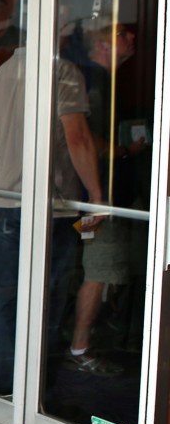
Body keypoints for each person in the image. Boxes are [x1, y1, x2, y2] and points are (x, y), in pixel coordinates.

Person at [0, 47, 103, 394]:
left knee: (4, 297)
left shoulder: (1, 73)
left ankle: (6, 387)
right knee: (47, 296)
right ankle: (35, 391)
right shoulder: (63, 72)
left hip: (6, 202)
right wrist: (95, 196)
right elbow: (76, 137)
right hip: (52, 207)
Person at [65, 23, 141, 374]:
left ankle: (83, 340)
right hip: (97, 200)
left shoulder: (103, 82)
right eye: (122, 33)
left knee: (99, 270)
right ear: (102, 45)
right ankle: (79, 348)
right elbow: (86, 139)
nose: (131, 39)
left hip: (104, 198)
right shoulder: (93, 82)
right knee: (97, 271)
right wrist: (125, 149)